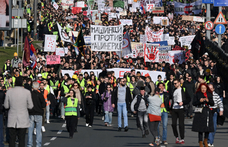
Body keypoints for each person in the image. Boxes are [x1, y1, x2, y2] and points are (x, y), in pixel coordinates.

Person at [4, 76, 34, 147]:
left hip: (12, 118)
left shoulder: (9, 92)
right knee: (21, 139)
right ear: (22, 83)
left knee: (12, 139)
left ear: (15, 83)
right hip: (23, 117)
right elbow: (30, 106)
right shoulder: (27, 92)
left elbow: (6, 106)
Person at [171, 79, 190, 144]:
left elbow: (189, 99)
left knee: (181, 124)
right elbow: (171, 99)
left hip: (181, 108)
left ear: (179, 83)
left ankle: (182, 138)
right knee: (173, 124)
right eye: (174, 83)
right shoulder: (174, 90)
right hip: (174, 109)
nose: (174, 85)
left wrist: (183, 102)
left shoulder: (183, 89)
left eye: (175, 83)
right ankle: (176, 137)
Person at [27, 82, 46, 147]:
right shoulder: (40, 94)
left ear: (32, 87)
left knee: (30, 130)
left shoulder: (30, 94)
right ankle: (38, 144)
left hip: (31, 113)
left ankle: (29, 144)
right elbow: (44, 104)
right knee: (38, 130)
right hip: (38, 113)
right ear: (38, 87)